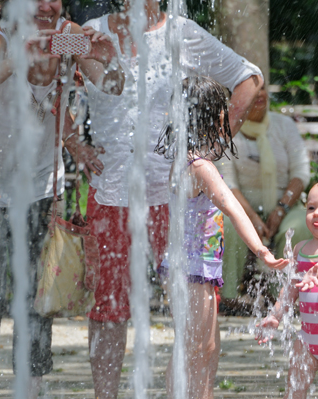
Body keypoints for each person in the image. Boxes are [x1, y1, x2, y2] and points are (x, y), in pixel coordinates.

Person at [74, 3, 263, 398]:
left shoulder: (183, 32)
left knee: (194, 317)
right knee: (109, 308)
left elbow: (249, 79)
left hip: (174, 199)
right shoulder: (91, 31)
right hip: (111, 193)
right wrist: (73, 143)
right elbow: (44, 76)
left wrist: (210, 148)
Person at [0, 0, 124, 397]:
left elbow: (111, 85)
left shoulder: (68, 37)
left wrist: (108, 57)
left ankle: (32, 386)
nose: (47, 4)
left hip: (35, 180)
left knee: (37, 292)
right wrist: (20, 55)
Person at [156, 76, 288, 399]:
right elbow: (232, 207)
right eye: (224, 110)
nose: (229, 116)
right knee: (194, 349)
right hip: (191, 269)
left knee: (207, 347)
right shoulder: (201, 167)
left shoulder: (185, 159)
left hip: (195, 268)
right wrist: (261, 250)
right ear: (212, 117)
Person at [257, 178, 318, 399]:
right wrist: (276, 315)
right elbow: (291, 288)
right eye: (311, 208)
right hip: (307, 335)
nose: (317, 213)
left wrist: (316, 272)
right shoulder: (301, 249)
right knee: (295, 385)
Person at [215, 87, 310, 302]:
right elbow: (227, 184)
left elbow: (301, 173)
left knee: (301, 226)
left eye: (262, 89)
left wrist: (281, 208)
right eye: (252, 91)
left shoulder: (283, 126)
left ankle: (285, 301)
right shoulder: (227, 130)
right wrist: (252, 219)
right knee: (227, 227)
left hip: (285, 207)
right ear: (236, 99)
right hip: (239, 208)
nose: (259, 95)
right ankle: (227, 298)